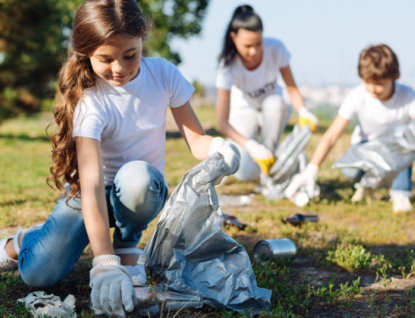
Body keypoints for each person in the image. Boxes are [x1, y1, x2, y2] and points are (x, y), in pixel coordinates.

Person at [0, 0, 240, 317]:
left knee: (139, 177)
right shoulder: (91, 101)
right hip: (90, 195)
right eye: (106, 59)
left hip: (138, 192)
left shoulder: (164, 74)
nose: (120, 68)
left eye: (130, 55)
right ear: (85, 53)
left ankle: (127, 242)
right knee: (38, 276)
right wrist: (103, 262)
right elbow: (92, 183)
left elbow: (195, 139)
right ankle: (21, 242)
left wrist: (217, 147)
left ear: (142, 41)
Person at [285, 44, 415, 213]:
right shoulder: (358, 95)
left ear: (394, 77)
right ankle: (366, 184)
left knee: (407, 144)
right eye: (367, 82)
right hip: (366, 146)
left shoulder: (407, 95)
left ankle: (400, 193)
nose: (373, 89)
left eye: (380, 84)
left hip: (396, 147)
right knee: (349, 171)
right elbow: (331, 135)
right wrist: (312, 168)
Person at [215, 5, 319, 183]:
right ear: (233, 38)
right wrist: (250, 145)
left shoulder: (276, 48)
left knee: (276, 103)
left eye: (258, 44)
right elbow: (222, 123)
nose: (254, 52)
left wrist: (303, 111)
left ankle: (271, 162)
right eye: (247, 46)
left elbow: (291, 88)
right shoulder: (228, 66)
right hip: (243, 112)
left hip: (272, 109)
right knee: (246, 174)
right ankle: (264, 163)